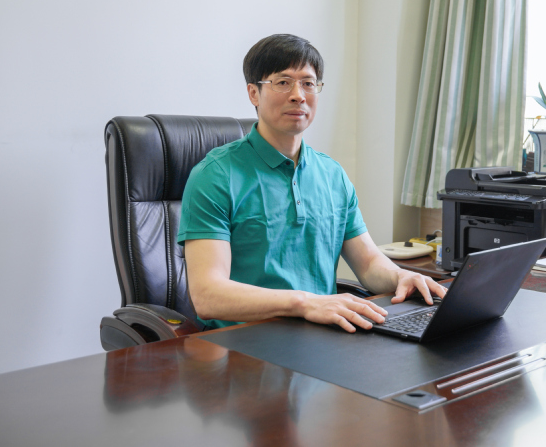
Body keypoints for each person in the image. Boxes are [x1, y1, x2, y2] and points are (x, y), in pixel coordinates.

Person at [178, 34, 446, 333]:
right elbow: (208, 296)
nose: (298, 95)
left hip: (323, 335)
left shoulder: (332, 174)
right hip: (241, 342)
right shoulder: (215, 176)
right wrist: (306, 303)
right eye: (283, 82)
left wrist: (400, 277)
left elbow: (369, 263)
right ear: (254, 93)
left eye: (308, 83)